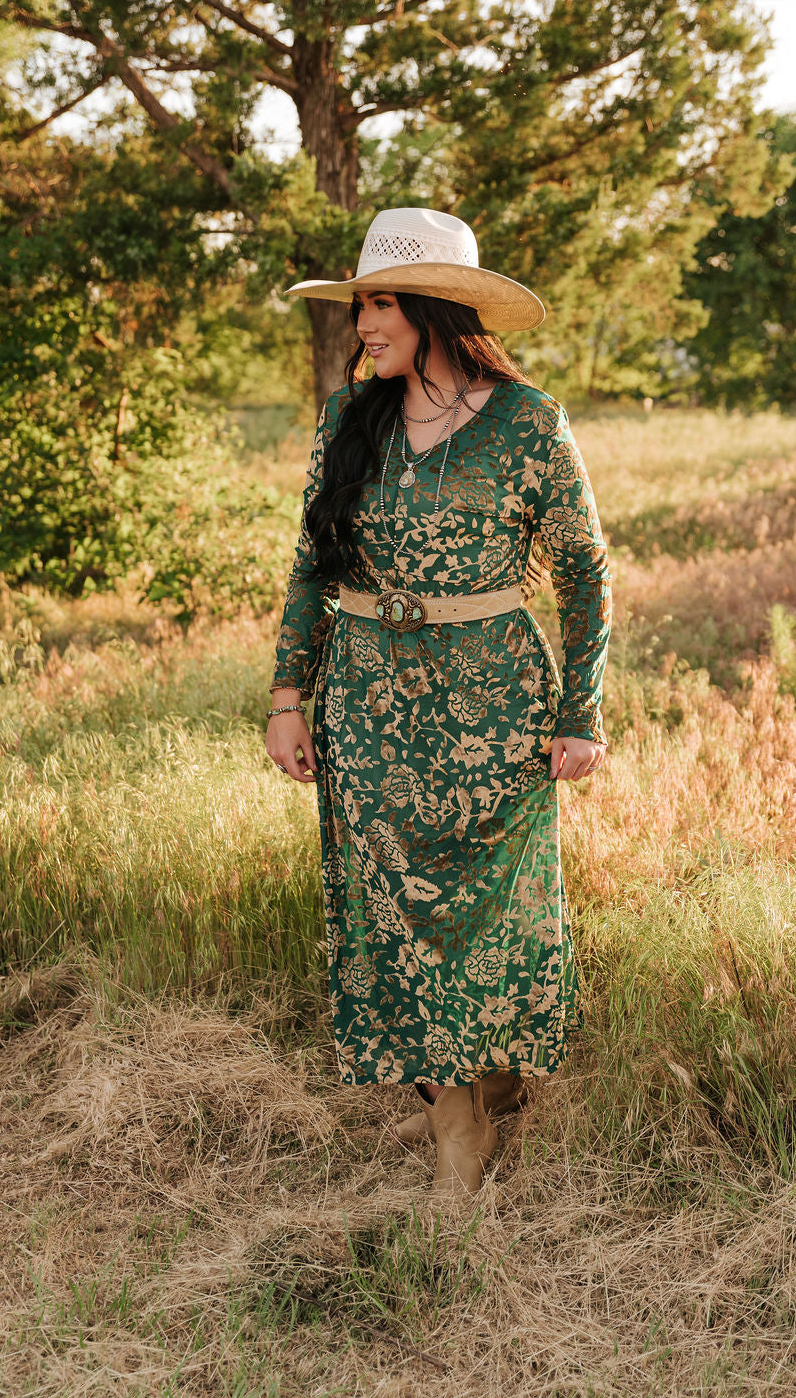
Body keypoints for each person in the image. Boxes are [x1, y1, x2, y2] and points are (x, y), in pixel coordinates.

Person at [266, 207, 611, 1203]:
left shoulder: (528, 420)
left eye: (376, 302)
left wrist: (579, 714)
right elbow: (309, 568)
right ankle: (454, 1119)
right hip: (366, 700)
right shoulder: (347, 418)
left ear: (431, 309)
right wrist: (288, 696)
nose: (361, 323)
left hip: (494, 699)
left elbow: (585, 571)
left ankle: (492, 1075)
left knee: (483, 911)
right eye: (359, 302)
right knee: (389, 910)